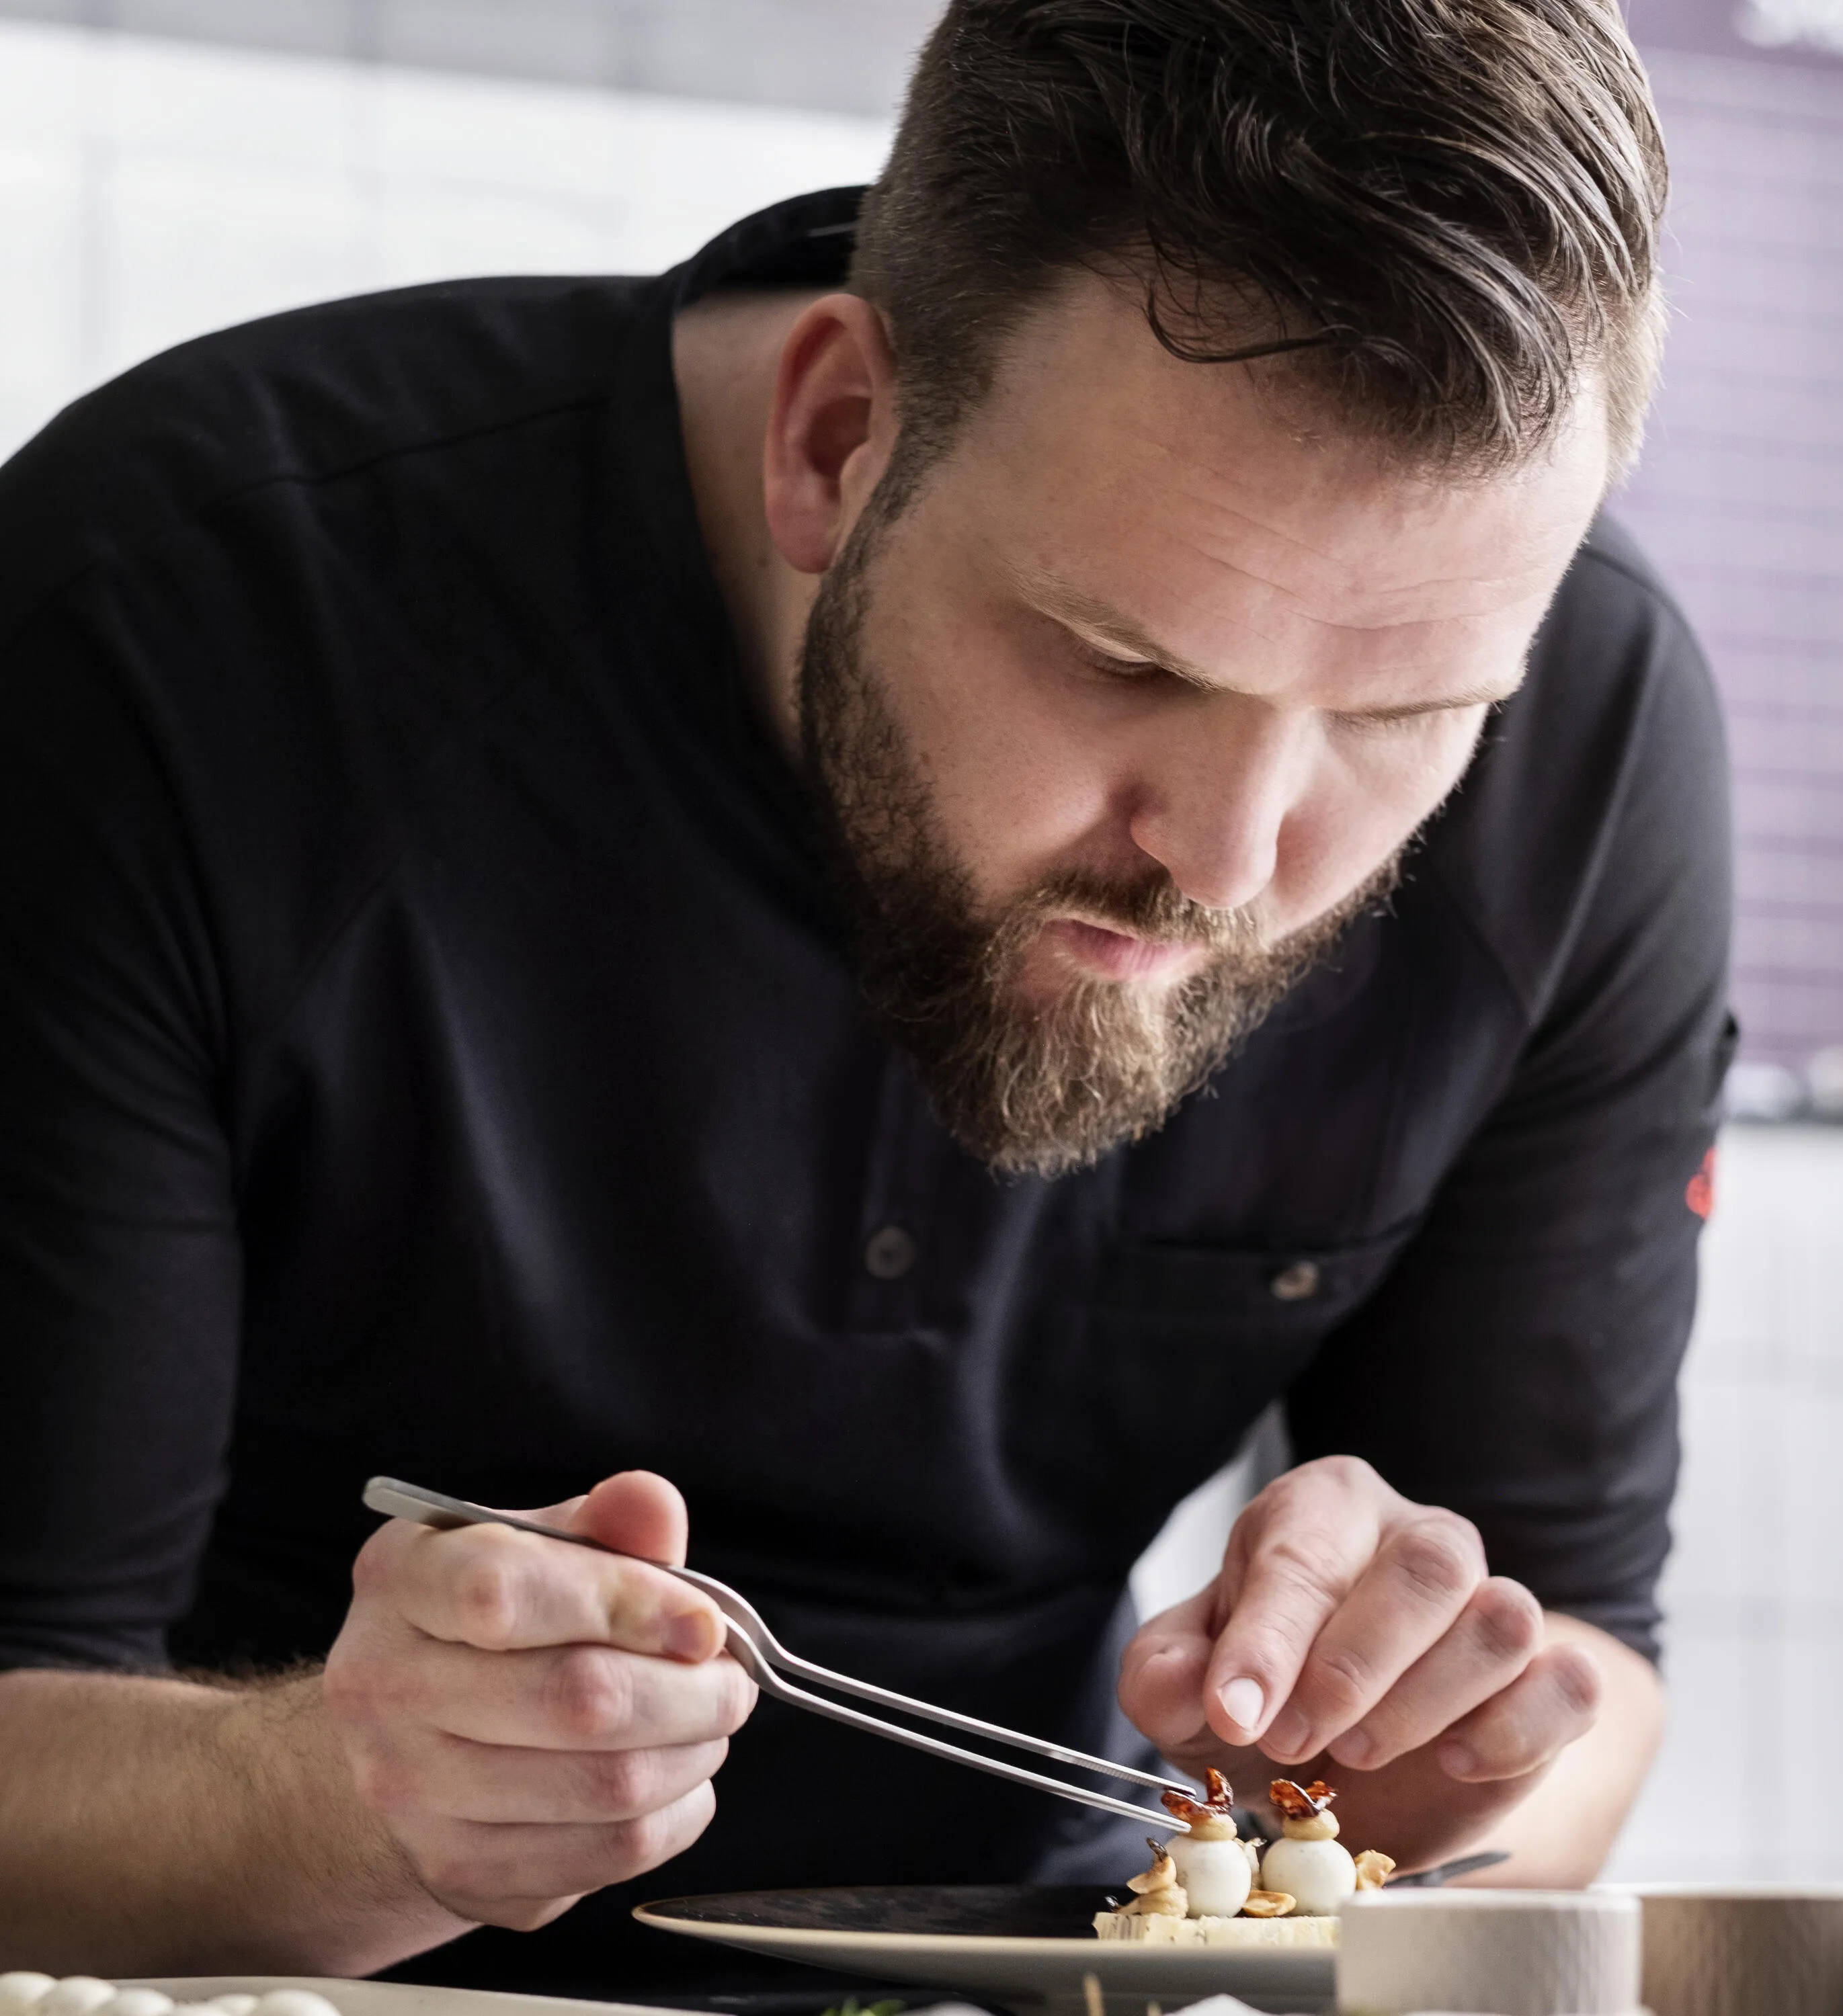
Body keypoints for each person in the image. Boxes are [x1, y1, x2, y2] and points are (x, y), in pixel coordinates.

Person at [0, 0, 1731, 1997]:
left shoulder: (1598, 738)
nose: (1233, 862)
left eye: (1408, 716)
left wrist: (1430, 1769)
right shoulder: (172, 628)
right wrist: (335, 1797)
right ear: (837, 438)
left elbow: (1585, 1678)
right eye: (1119, 657)